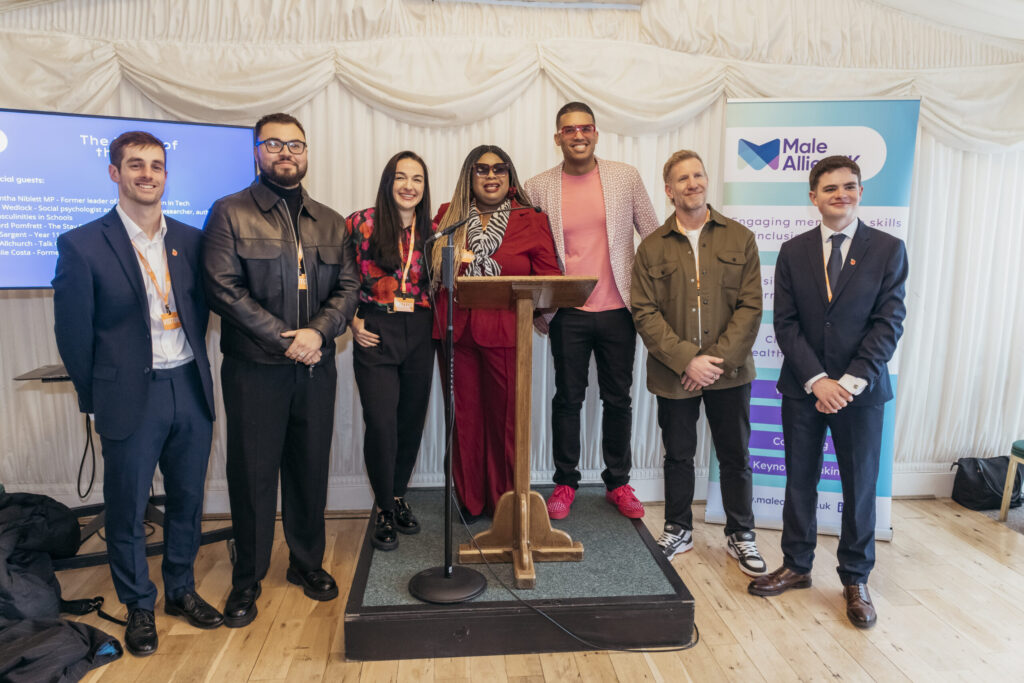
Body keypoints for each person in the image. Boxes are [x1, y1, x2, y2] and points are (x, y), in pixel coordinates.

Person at [52, 131, 222, 656]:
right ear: (114, 173)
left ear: (166, 176)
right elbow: (73, 335)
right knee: (127, 510)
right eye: (135, 165)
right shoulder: (82, 244)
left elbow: (206, 310)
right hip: (130, 395)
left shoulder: (191, 241)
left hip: (188, 387)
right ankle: (139, 605)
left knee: (189, 501)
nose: (147, 174)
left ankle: (180, 590)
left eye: (156, 165)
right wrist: (96, 396)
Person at [202, 113, 359, 627]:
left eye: (295, 145)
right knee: (252, 475)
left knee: (309, 468)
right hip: (254, 369)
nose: (286, 153)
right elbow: (224, 290)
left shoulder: (331, 221)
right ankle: (246, 579)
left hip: (315, 367)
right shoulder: (229, 213)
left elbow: (349, 287)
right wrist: (287, 341)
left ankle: (306, 564)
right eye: (274, 144)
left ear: (307, 153)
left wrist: (319, 333)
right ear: (256, 152)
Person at [748, 156, 908, 629]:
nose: (842, 194)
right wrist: (818, 380)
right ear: (813, 196)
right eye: (831, 188)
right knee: (800, 479)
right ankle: (797, 565)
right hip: (804, 388)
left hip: (861, 392)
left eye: (850, 186)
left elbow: (888, 324)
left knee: (859, 486)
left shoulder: (888, 249)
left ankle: (855, 578)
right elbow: (786, 323)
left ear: (860, 192)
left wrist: (847, 383)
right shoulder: (793, 250)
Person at [632, 150, 766, 575]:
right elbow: (644, 312)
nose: (692, 183)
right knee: (678, 455)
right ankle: (678, 528)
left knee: (735, 455)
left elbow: (751, 306)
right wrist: (689, 361)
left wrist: (715, 363)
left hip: (730, 374)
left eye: (698, 175)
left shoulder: (740, 238)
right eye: (682, 179)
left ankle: (740, 533)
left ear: (706, 181)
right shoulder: (651, 247)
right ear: (669, 191)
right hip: (675, 375)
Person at [524, 101, 659, 520]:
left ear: (596, 133)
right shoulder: (538, 187)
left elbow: (652, 236)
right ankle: (565, 482)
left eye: (585, 128)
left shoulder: (625, 177)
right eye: (569, 129)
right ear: (557, 137)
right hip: (569, 310)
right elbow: (530, 249)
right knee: (568, 398)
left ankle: (618, 483)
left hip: (620, 308)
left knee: (619, 399)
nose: (577, 135)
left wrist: (657, 300)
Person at [431, 145, 561, 518]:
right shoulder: (448, 215)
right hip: (456, 333)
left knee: (507, 423)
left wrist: (531, 304)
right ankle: (470, 502)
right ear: (469, 178)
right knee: (464, 420)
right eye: (482, 170)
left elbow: (550, 278)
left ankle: (507, 504)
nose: (491, 176)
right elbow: (431, 271)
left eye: (499, 169)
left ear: (510, 176)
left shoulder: (531, 218)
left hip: (507, 332)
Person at [346, 151, 435, 551]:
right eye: (401, 177)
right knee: (381, 422)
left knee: (410, 421)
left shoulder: (433, 231)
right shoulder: (360, 223)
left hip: (419, 328)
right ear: (388, 181)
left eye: (417, 179)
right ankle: (382, 507)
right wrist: (351, 321)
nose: (409, 186)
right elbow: (339, 276)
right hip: (374, 328)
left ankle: (398, 495)